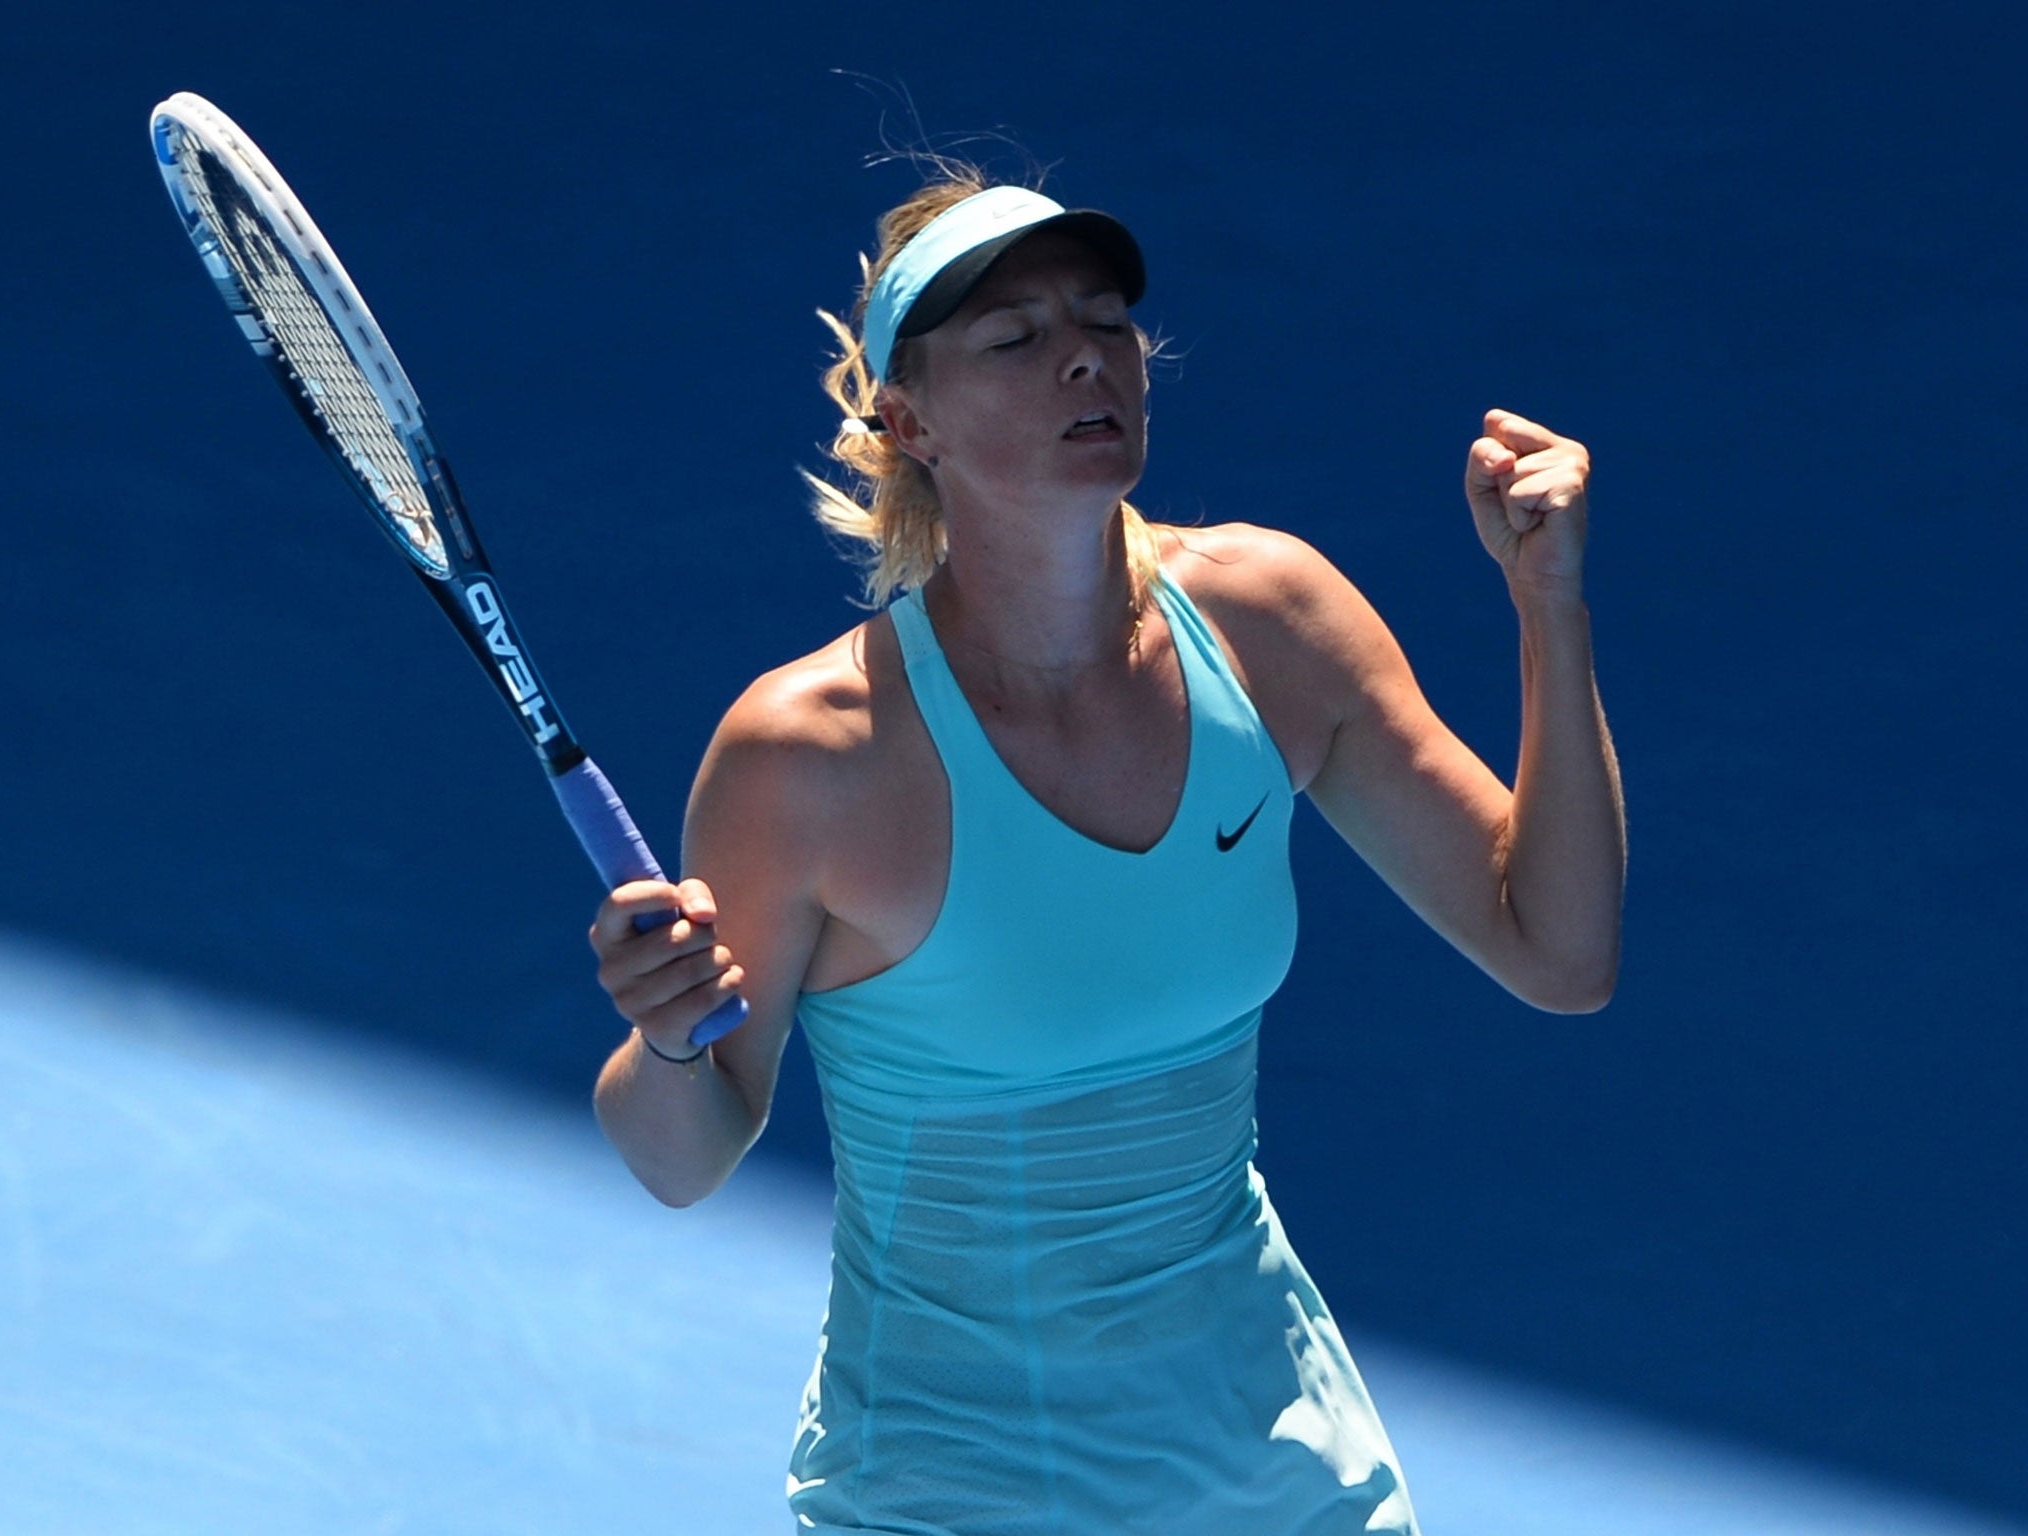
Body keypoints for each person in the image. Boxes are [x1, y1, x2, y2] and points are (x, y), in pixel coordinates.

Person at [588, 168, 1625, 1535]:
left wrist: (1547, 605)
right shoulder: (814, 755)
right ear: (909, 423)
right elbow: (686, 1152)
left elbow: (1557, 950)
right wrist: (667, 1040)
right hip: (948, 1498)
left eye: (1105, 319)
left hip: (1282, 1480)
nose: (1086, 352)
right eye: (1013, 339)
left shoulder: (1271, 622)